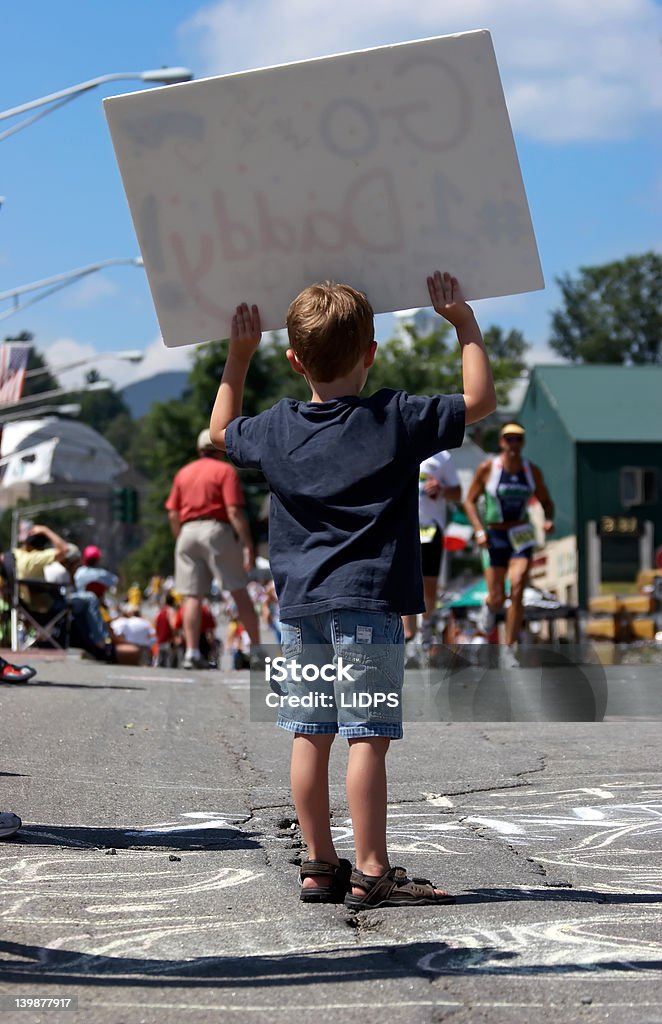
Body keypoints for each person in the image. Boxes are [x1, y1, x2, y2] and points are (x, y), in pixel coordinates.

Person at [209, 270, 495, 908]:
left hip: (300, 610)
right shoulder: (393, 417)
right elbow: (478, 400)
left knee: (309, 733)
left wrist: (237, 355)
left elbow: (219, 432)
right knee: (368, 736)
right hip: (367, 606)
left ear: (294, 361)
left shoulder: (276, 429)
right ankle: (372, 869)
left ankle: (318, 865)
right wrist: (463, 322)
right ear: (370, 353)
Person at [165, 428, 262, 670]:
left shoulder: (183, 473)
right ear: (220, 449)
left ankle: (191, 652)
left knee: (192, 596)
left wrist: (180, 537)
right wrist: (248, 544)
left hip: (187, 531)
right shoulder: (225, 471)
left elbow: (173, 513)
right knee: (238, 589)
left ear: (199, 450)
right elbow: (233, 510)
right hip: (216, 529)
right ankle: (259, 651)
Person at [463, 421, 555, 655]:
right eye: (509, 438)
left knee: (517, 587)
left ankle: (509, 648)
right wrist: (479, 530)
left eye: (518, 439)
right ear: (501, 442)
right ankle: (489, 606)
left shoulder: (530, 470)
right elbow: (469, 500)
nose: (513, 443)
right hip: (495, 534)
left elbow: (546, 501)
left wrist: (548, 519)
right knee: (497, 597)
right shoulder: (488, 468)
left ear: (523, 443)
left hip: (520, 533)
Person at [403, 451, 462, 652]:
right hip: (404, 525)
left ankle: (425, 629)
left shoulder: (442, 457)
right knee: (406, 578)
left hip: (430, 527)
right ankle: (406, 634)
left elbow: (459, 493)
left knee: (429, 584)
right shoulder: (402, 443)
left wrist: (441, 489)